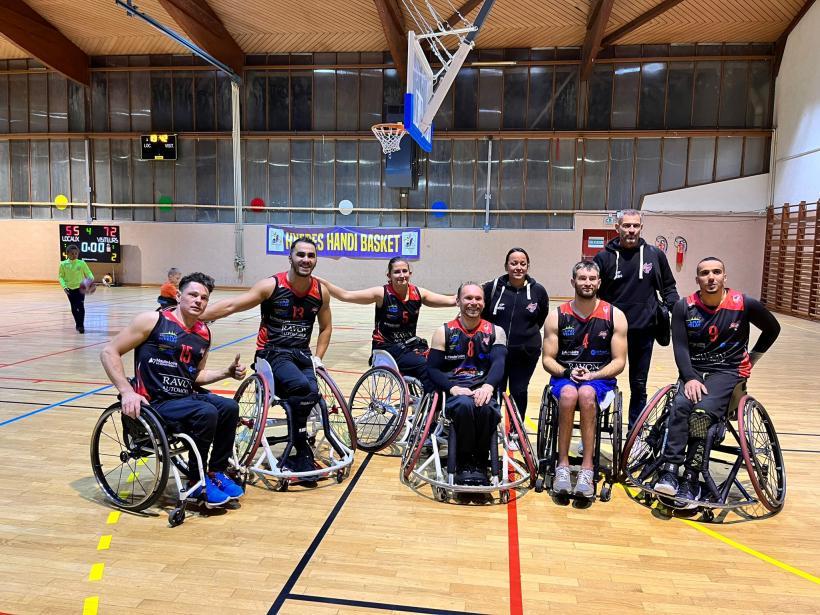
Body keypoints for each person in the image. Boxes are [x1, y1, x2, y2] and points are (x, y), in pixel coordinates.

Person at [99, 272, 247, 508]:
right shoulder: (152, 321)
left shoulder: (203, 333)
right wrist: (126, 391)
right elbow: (109, 352)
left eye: (204, 298)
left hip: (185, 398)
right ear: (179, 296)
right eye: (193, 295)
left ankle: (217, 472)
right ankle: (197, 481)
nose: (199, 300)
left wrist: (226, 373)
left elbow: (195, 375)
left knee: (229, 407)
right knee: (205, 412)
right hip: (155, 404)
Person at [653, 257, 780, 502]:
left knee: (700, 414)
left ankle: (691, 476)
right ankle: (670, 471)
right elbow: (680, 348)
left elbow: (772, 329)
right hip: (696, 371)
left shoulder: (744, 304)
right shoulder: (683, 307)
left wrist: (752, 358)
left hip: (728, 371)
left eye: (716, 272)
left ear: (724, 277)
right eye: (704, 273)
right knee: (679, 406)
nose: (711, 277)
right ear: (697, 279)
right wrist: (689, 377)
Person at [200, 237, 332, 474]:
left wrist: (318, 357)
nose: (305, 260)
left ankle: (299, 446)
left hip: (302, 354)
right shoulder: (271, 286)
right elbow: (232, 305)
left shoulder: (321, 292)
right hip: (272, 353)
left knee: (312, 393)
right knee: (301, 388)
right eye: (300, 254)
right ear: (290, 257)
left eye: (310, 256)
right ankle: (300, 448)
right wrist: (195, 316)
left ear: (316, 260)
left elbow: (326, 327)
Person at [541, 261, 627, 498]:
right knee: (569, 394)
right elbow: (547, 359)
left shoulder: (614, 315)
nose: (587, 283)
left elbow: (619, 361)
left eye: (591, 279)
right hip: (565, 376)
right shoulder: (557, 316)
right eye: (582, 278)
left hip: (600, 379)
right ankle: (562, 465)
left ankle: (588, 468)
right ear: (573, 282)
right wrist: (568, 373)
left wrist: (594, 375)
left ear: (599, 282)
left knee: (587, 394)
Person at [594, 209, 679, 428]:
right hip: (609, 332)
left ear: (641, 228)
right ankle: (593, 430)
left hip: (644, 330)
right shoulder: (603, 258)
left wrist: (677, 311)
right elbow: (591, 292)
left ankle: (636, 433)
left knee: (639, 386)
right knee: (600, 382)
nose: (631, 230)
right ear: (617, 227)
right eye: (626, 226)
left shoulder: (654, 255)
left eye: (635, 226)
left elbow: (668, 287)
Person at [317, 257, 455, 392]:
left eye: (404, 271)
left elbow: (452, 300)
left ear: (410, 273)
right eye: (397, 272)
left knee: (443, 360)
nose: (401, 275)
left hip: (410, 347)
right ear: (389, 275)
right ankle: (432, 408)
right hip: (387, 349)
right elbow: (345, 295)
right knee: (427, 365)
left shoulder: (418, 293)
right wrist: (317, 281)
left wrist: (472, 295)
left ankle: (425, 404)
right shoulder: (382, 293)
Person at [426, 282, 507, 486]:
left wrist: (488, 387)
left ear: (484, 302)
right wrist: (453, 388)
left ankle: (479, 463)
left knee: (486, 408)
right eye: (468, 298)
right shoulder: (443, 332)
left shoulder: (496, 331)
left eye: (478, 299)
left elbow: (499, 363)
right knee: (464, 405)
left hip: (483, 388)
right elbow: (433, 369)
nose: (473, 303)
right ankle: (462, 462)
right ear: (458, 301)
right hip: (455, 390)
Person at [482, 247, 549, 417]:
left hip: (526, 351)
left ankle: (515, 432)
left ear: (527, 266)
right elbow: (482, 316)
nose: (518, 267)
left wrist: (525, 335)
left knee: (519, 391)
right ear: (506, 266)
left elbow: (541, 317)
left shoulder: (538, 291)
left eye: (522, 263)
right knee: (496, 389)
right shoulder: (492, 287)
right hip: (496, 351)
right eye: (514, 263)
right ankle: (493, 429)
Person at [58, 244, 94, 334]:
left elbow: (89, 274)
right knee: (74, 307)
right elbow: (61, 277)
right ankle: (77, 324)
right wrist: (64, 287)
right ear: (67, 254)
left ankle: (81, 325)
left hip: (80, 289)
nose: (74, 255)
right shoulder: (63, 264)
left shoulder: (81, 263)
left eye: (76, 253)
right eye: (72, 253)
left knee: (80, 306)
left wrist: (90, 279)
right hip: (69, 289)